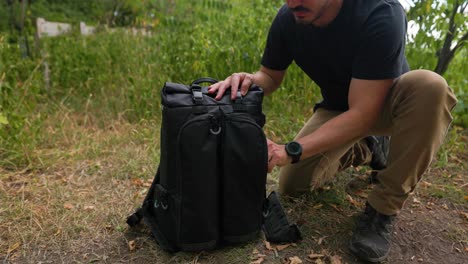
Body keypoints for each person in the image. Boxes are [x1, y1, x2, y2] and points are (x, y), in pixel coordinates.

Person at [208, 0, 457, 262]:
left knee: (432, 86)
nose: (294, 3)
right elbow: (270, 76)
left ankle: (383, 207)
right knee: (294, 183)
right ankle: (369, 147)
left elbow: (363, 115)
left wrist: (290, 150)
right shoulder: (290, 17)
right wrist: (250, 81)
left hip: (389, 108)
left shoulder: (381, 10)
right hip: (340, 109)